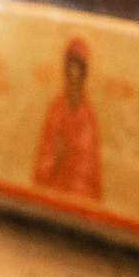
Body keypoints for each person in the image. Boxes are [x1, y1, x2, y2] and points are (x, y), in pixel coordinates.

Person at [32, 36, 103, 198]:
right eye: (70, 69)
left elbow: (94, 169)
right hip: (55, 195)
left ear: (83, 74)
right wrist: (55, 159)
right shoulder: (55, 110)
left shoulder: (89, 117)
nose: (73, 75)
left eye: (77, 70)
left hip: (81, 198)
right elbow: (42, 160)